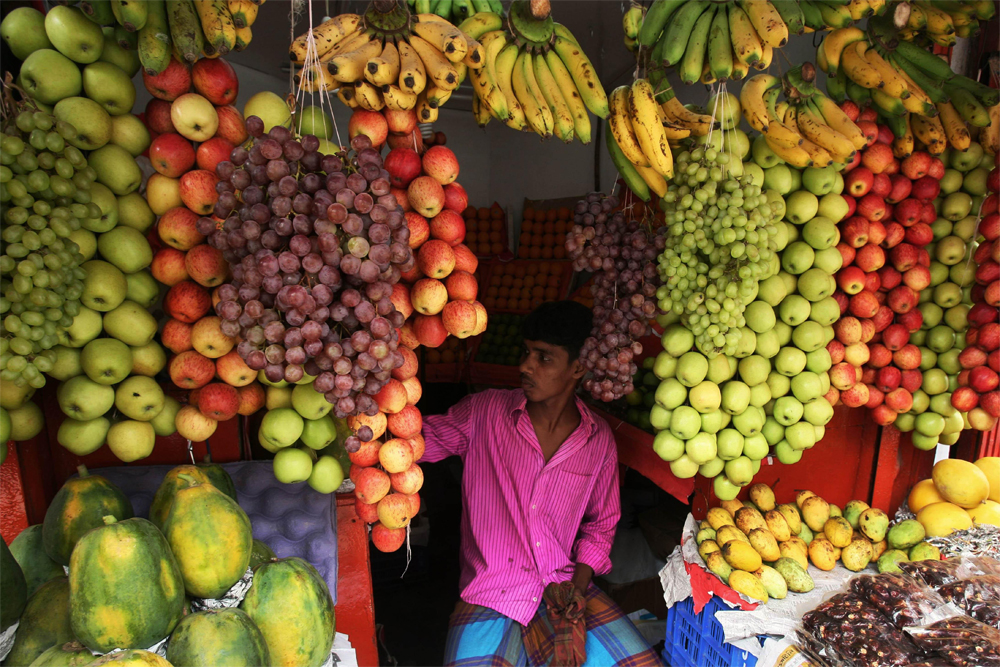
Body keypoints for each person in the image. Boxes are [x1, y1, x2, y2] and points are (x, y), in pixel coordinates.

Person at [419, 300, 664, 667]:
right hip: (491, 594)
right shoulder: (484, 413)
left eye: (544, 357)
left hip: (563, 587)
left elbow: (601, 525)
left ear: (578, 367)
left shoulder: (597, 442)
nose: (525, 366)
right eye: (527, 352)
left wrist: (579, 588)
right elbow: (418, 441)